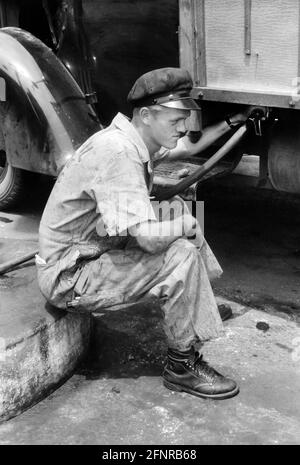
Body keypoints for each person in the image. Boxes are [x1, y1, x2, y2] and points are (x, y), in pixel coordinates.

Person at [36, 68, 250, 400]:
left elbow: (184, 147)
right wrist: (184, 227)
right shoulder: (118, 153)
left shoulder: (134, 137)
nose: (183, 127)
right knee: (180, 251)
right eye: (176, 120)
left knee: (175, 207)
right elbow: (150, 239)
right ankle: (181, 366)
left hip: (94, 244)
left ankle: (196, 305)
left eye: (185, 118)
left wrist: (232, 122)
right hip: (71, 276)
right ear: (147, 115)